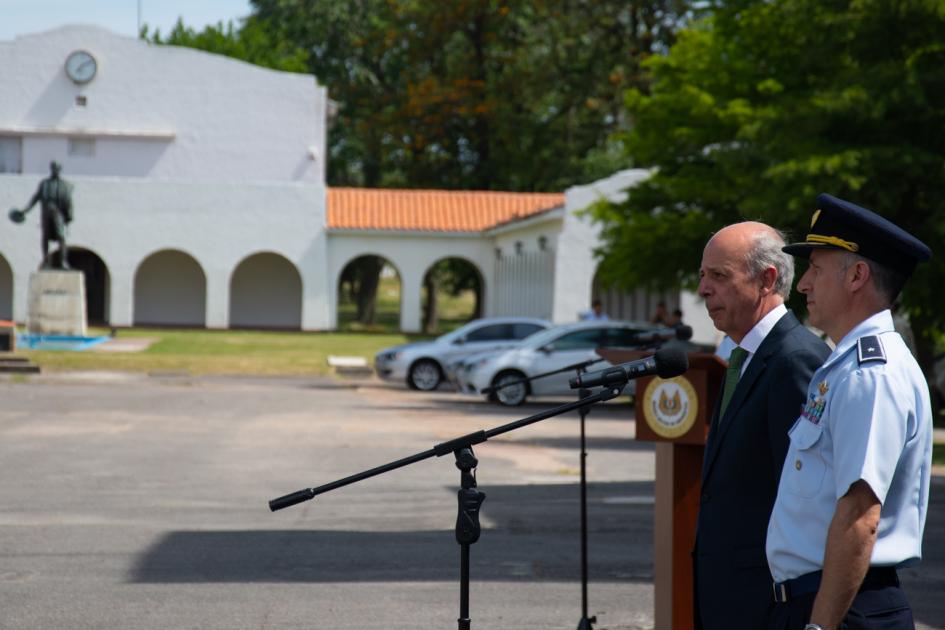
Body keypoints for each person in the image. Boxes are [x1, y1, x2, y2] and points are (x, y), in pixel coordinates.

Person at [767, 194, 933, 630]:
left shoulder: (869, 375)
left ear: (857, 275)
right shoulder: (845, 365)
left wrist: (819, 627)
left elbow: (860, 516)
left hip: (843, 609)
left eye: (816, 269)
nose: (803, 284)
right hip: (827, 600)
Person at [694, 221, 830, 629]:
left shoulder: (795, 359)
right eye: (703, 275)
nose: (703, 289)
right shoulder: (743, 356)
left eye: (718, 276)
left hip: (767, 603)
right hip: (729, 596)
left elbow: (804, 499)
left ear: (766, 280)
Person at [10, 161, 74, 269]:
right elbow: (35, 198)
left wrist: (69, 215)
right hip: (46, 213)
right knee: (45, 238)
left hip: (58, 213)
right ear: (51, 169)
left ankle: (63, 262)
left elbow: (69, 201)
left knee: (61, 237)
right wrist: (25, 211)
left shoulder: (65, 185)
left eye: (57, 168)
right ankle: (46, 262)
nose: (55, 170)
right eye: (53, 168)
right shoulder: (44, 184)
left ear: (60, 169)